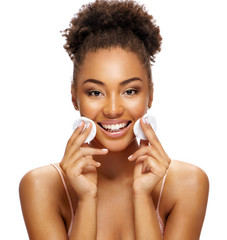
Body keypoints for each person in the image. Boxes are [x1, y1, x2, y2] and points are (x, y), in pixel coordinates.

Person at [19, 0, 209, 239]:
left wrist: (141, 196)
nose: (112, 109)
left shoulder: (188, 185)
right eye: (95, 92)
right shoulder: (41, 187)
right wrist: (87, 198)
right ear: (74, 97)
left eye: (129, 91)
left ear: (150, 93)